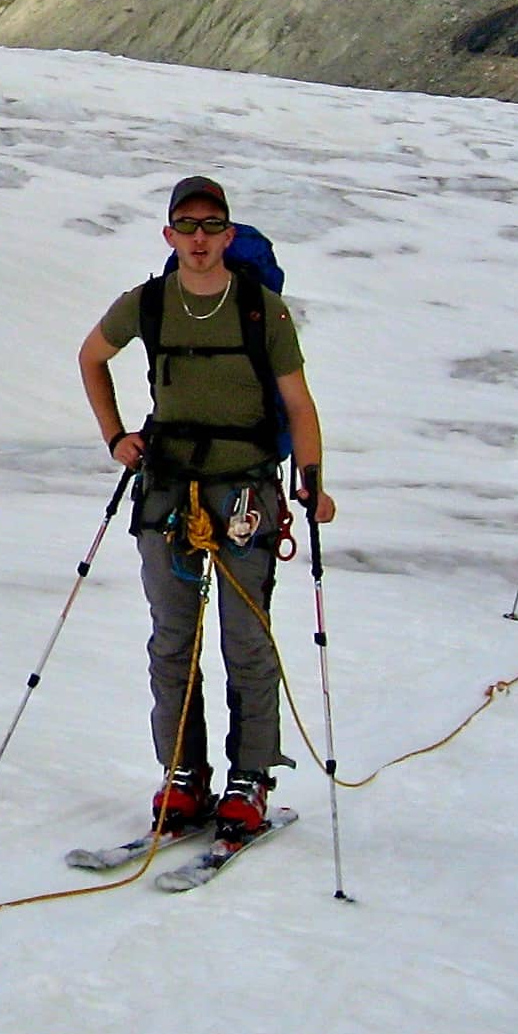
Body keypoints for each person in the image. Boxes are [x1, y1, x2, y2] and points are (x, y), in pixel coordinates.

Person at [78, 176, 335, 840]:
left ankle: (248, 778)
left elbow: (299, 404)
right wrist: (116, 437)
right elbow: (91, 358)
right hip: (168, 489)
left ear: (227, 234)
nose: (198, 238)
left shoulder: (261, 309)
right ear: (169, 235)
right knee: (173, 637)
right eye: (186, 226)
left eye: (209, 225)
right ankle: (183, 775)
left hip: (245, 488)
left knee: (244, 639)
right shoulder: (148, 303)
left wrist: (311, 478)